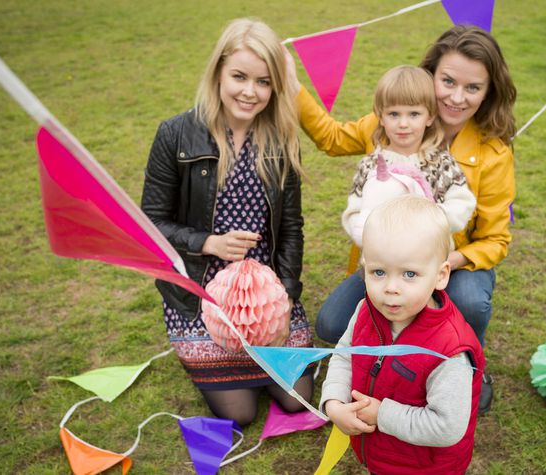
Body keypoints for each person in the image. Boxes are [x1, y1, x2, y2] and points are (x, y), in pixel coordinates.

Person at [289, 24, 516, 413]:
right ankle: (383, 358)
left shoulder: (492, 153)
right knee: (330, 325)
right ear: (431, 76)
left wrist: (440, 262)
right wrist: (291, 85)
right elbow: (331, 138)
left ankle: (464, 363)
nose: (457, 98)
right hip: (386, 262)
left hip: (454, 264)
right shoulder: (390, 127)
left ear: (488, 91)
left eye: (473, 88)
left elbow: (495, 240)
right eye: (447, 81)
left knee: (468, 301)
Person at [141, 18, 313, 427]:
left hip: (265, 292)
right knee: (241, 412)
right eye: (239, 76)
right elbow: (149, 225)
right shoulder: (176, 135)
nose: (250, 92)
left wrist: (285, 296)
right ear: (218, 70)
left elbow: (291, 228)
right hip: (199, 292)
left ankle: (265, 351)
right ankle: (211, 356)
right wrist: (207, 242)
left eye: (264, 82)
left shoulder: (282, 139)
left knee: (296, 400)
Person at [321, 195, 484, 475]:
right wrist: (334, 402)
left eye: (409, 274)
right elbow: (344, 355)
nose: (391, 288)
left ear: (441, 275)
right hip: (382, 455)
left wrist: (381, 414)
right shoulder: (365, 310)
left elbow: (447, 427)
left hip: (425, 468)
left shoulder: (449, 351)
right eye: (379, 272)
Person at [341, 65, 475, 248]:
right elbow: (354, 213)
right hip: (383, 262)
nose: (403, 124)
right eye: (394, 114)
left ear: (429, 117)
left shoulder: (441, 163)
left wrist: (427, 221)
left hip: (429, 261)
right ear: (381, 117)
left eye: (414, 114)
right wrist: (373, 234)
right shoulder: (370, 166)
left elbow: (462, 204)